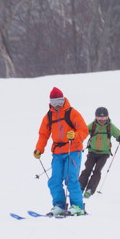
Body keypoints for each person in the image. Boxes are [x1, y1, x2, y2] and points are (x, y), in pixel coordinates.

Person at [33, 87, 89, 216]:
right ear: (50, 103)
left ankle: (77, 206)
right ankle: (59, 205)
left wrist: (74, 135)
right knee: (54, 180)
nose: (57, 105)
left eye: (59, 101)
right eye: (54, 103)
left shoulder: (72, 113)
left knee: (70, 179)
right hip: (57, 153)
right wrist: (39, 149)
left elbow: (84, 130)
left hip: (73, 150)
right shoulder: (48, 116)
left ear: (63, 100)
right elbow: (43, 134)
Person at [78, 107, 120, 198]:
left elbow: (119, 136)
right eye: (100, 118)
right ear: (96, 118)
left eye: (104, 118)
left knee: (97, 171)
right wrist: (77, 143)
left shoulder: (110, 126)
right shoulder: (93, 125)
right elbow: (82, 134)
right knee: (87, 169)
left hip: (104, 154)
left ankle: (90, 189)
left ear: (107, 117)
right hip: (92, 152)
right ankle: (80, 187)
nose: (102, 120)